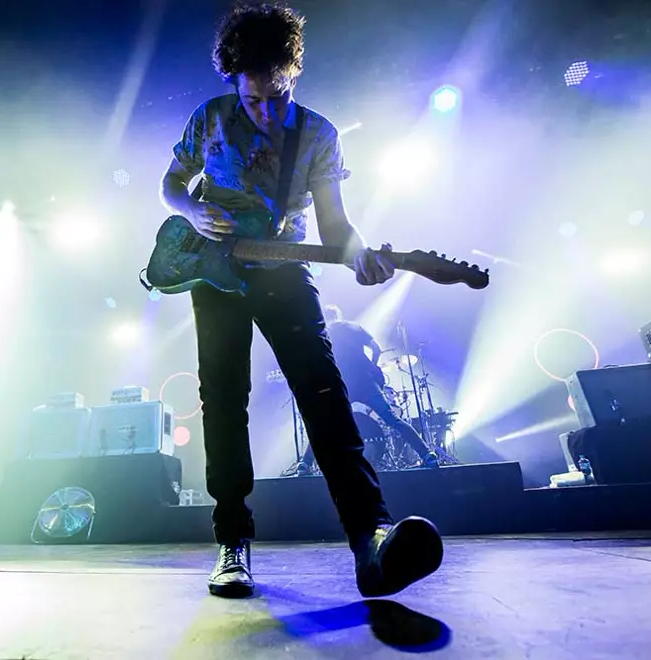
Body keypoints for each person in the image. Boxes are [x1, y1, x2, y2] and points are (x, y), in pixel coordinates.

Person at [159, 3, 443, 599]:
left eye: (278, 94)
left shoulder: (316, 133)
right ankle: (232, 542)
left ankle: (372, 537)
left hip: (284, 269)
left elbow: (336, 227)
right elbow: (171, 183)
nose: (266, 110)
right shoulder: (209, 118)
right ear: (234, 79)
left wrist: (362, 254)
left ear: (293, 72)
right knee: (224, 398)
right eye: (255, 97)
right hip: (214, 274)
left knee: (325, 392)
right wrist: (191, 209)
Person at [321, 304, 440, 468]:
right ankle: (427, 455)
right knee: (393, 419)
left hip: (343, 384)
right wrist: (371, 366)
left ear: (323, 317)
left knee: (324, 423)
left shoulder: (323, 333)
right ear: (338, 315)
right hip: (366, 381)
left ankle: (305, 464)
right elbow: (376, 349)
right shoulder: (354, 327)